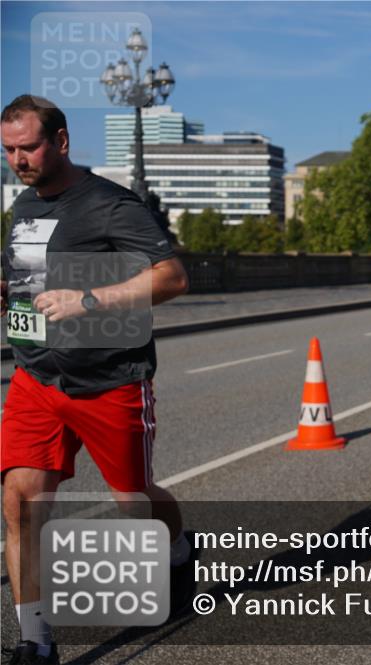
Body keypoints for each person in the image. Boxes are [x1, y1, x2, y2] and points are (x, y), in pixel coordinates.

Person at [1, 95, 195, 664]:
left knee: (134, 500)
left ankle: (180, 551)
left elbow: (172, 277)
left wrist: (89, 299)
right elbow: (21, 280)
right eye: (8, 150)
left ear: (60, 141)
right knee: (20, 500)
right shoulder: (24, 206)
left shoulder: (112, 205)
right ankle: (34, 641)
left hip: (109, 379)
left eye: (28, 147)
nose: (18, 160)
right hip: (36, 378)